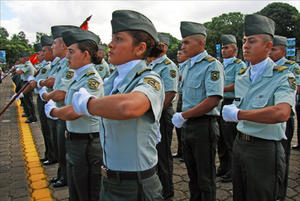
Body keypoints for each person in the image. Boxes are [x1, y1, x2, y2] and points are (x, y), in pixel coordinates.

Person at [72, 9, 165, 201]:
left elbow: (128, 107)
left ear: (140, 48)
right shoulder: (111, 80)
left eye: (119, 39)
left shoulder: (150, 79)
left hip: (136, 186)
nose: (110, 44)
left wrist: (88, 104)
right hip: (110, 180)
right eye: (112, 38)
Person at [222, 14, 296, 201]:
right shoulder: (242, 75)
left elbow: (281, 113)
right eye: (245, 41)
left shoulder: (283, 76)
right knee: (240, 194)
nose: (245, 46)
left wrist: (239, 114)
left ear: (268, 46)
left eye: (252, 41)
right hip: (240, 144)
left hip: (264, 149)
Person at [44, 28, 103, 201]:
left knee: (87, 191)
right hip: (76, 140)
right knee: (76, 189)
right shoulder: (78, 77)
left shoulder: (91, 79)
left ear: (85, 54)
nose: (67, 56)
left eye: (71, 52)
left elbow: (74, 112)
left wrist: (53, 111)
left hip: (87, 143)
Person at [172, 21, 224, 201]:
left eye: (187, 42)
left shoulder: (212, 65)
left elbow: (212, 100)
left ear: (201, 43)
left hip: (204, 126)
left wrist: (183, 115)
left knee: (205, 177)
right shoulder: (186, 66)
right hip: (188, 125)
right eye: (182, 42)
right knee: (192, 175)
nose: (182, 46)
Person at [39, 25, 78, 187]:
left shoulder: (68, 66)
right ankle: (62, 174)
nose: (52, 47)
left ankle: (66, 177)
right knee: (59, 146)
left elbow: (59, 90)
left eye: (54, 43)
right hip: (58, 110)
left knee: (64, 149)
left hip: (63, 111)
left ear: (63, 45)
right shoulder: (60, 64)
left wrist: (46, 95)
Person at [147, 32, 178, 200]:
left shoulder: (168, 66)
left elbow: (170, 93)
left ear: (164, 47)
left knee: (163, 154)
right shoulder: (151, 64)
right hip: (153, 113)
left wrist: (155, 112)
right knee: (154, 152)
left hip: (162, 114)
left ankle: (167, 190)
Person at [269, 34, 300, 200]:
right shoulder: (264, 67)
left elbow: (297, 88)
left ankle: (280, 193)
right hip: (267, 117)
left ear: (282, 50)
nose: (269, 52)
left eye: (273, 49)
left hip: (283, 117)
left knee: (282, 158)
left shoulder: (291, 67)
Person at [217, 34, 246, 183]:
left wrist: (217, 88)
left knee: (230, 138)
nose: (223, 50)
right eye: (222, 47)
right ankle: (223, 166)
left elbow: (237, 84)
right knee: (221, 138)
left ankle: (233, 171)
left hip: (231, 101)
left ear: (234, 49)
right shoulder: (219, 64)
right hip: (220, 102)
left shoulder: (239, 64)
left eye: (226, 47)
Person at [173, 43, 189, 162]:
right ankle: (180, 151)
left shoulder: (188, 66)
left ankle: (185, 152)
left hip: (187, 98)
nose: (178, 55)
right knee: (178, 127)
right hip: (181, 97)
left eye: (181, 53)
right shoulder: (180, 67)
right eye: (177, 53)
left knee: (185, 127)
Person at [15, 52, 37, 123]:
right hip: (24, 82)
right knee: (25, 100)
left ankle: (32, 117)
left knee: (28, 100)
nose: (20, 59)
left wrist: (17, 68)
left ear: (26, 58)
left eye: (21, 58)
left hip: (28, 83)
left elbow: (19, 72)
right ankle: (28, 114)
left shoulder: (28, 65)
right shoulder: (24, 64)